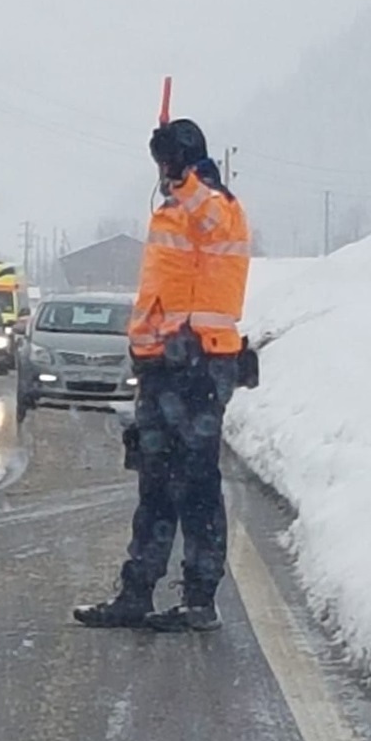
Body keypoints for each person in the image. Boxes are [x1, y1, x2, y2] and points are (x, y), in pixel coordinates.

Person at [73, 117, 252, 633]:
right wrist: (143, 349)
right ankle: (136, 591)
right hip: (162, 367)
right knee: (155, 484)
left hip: (199, 363)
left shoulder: (218, 206)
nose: (163, 172)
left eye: (168, 161)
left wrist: (186, 174)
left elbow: (211, 216)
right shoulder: (173, 214)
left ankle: (200, 601)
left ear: (185, 160)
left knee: (195, 483)